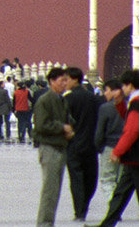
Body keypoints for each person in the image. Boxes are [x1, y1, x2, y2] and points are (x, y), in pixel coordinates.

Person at [87, 69, 139, 227]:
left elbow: (132, 130)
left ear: (129, 85)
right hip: (132, 159)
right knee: (120, 194)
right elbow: (127, 119)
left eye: (123, 86)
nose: (122, 89)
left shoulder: (136, 102)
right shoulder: (133, 101)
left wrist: (117, 151)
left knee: (122, 193)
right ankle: (107, 224)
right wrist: (119, 102)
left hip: (136, 157)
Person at [34, 66, 74, 227]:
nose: (65, 83)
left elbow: (69, 119)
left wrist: (70, 127)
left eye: (66, 80)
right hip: (49, 148)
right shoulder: (45, 100)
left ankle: (49, 221)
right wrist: (62, 128)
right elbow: (41, 125)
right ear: (51, 81)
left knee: (55, 189)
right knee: (50, 189)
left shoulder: (61, 99)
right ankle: (44, 223)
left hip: (60, 146)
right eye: (62, 80)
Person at [66, 67, 101, 221]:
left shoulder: (67, 99)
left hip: (73, 144)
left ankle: (79, 211)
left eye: (67, 79)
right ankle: (85, 204)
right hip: (91, 144)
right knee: (90, 177)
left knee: (76, 178)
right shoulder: (93, 98)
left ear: (74, 79)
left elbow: (63, 122)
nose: (65, 83)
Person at [94, 78, 125, 204]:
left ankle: (114, 205)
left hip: (110, 147)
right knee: (122, 179)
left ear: (115, 91)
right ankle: (118, 204)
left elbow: (100, 130)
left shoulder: (105, 108)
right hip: (126, 147)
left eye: (106, 91)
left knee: (107, 178)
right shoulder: (130, 105)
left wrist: (99, 146)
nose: (105, 94)